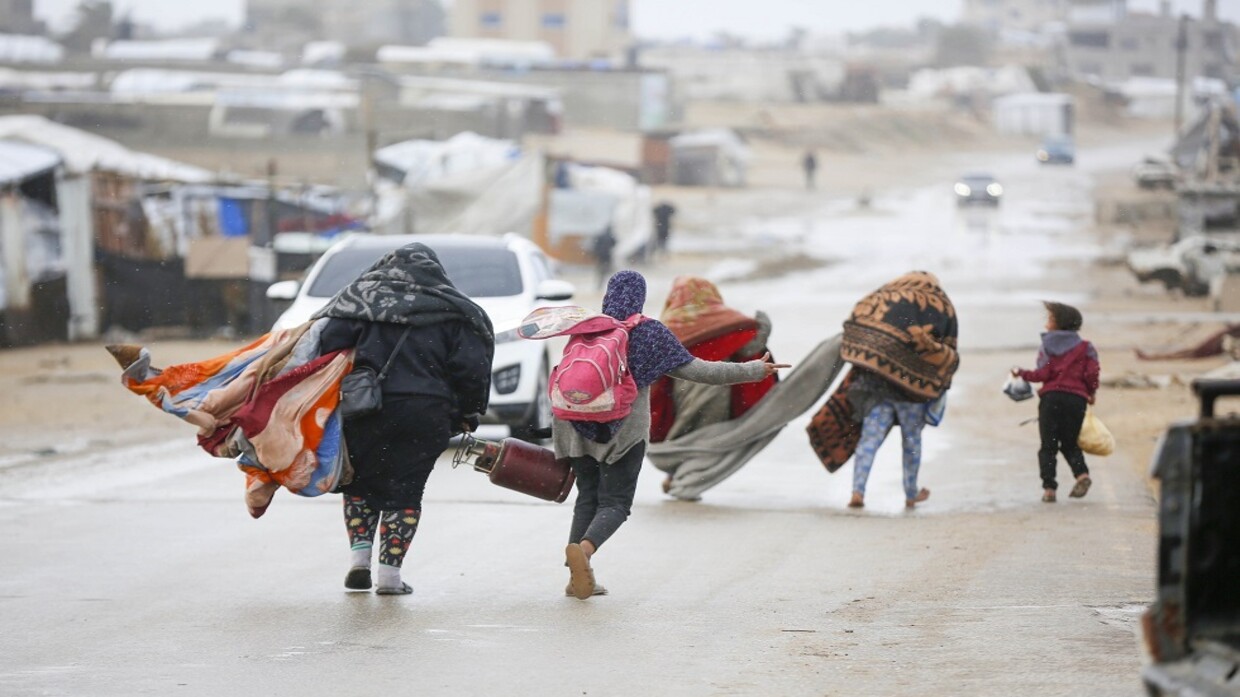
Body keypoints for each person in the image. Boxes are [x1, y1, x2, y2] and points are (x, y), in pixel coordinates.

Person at [555, 270, 788, 600]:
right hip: (621, 431)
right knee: (615, 503)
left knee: (588, 497)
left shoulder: (589, 326)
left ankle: (575, 575)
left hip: (573, 426)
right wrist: (752, 370)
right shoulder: (648, 332)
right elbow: (700, 371)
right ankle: (585, 552)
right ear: (640, 298)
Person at [316, 243, 494, 595]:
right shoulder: (452, 309)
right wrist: (467, 410)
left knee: (359, 484)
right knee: (406, 490)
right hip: (425, 412)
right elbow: (471, 368)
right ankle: (389, 577)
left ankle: (359, 561)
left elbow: (326, 347)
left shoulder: (359, 302)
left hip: (364, 409)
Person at [836, 271, 958, 510]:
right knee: (911, 444)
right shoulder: (939, 307)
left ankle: (857, 491)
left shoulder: (886, 298)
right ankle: (911, 493)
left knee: (869, 440)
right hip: (911, 393)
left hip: (879, 388)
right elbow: (948, 352)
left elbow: (857, 322)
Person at [650, 276, 778, 491]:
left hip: (682, 390)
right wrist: (761, 330)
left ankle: (680, 476)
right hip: (719, 387)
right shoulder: (725, 321)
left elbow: (653, 366)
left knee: (684, 431)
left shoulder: (668, 326)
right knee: (708, 437)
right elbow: (748, 349)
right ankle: (688, 479)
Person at [1011, 301, 1099, 503]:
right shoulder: (1086, 348)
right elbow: (1092, 373)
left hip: (1051, 399)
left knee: (1048, 446)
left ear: (1059, 323)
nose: (1046, 324)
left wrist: (1021, 373)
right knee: (1070, 443)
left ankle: (1049, 489)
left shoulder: (1047, 347)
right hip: (1076, 400)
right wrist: (1091, 392)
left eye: (1049, 319)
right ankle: (1082, 475)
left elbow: (1043, 374)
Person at [592, 226, 616, 290]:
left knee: (600, 270)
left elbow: (596, 245)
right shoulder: (610, 236)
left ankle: (599, 283)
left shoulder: (600, 237)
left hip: (601, 255)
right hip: (607, 255)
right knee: (607, 270)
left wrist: (596, 253)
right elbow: (614, 243)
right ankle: (608, 282)